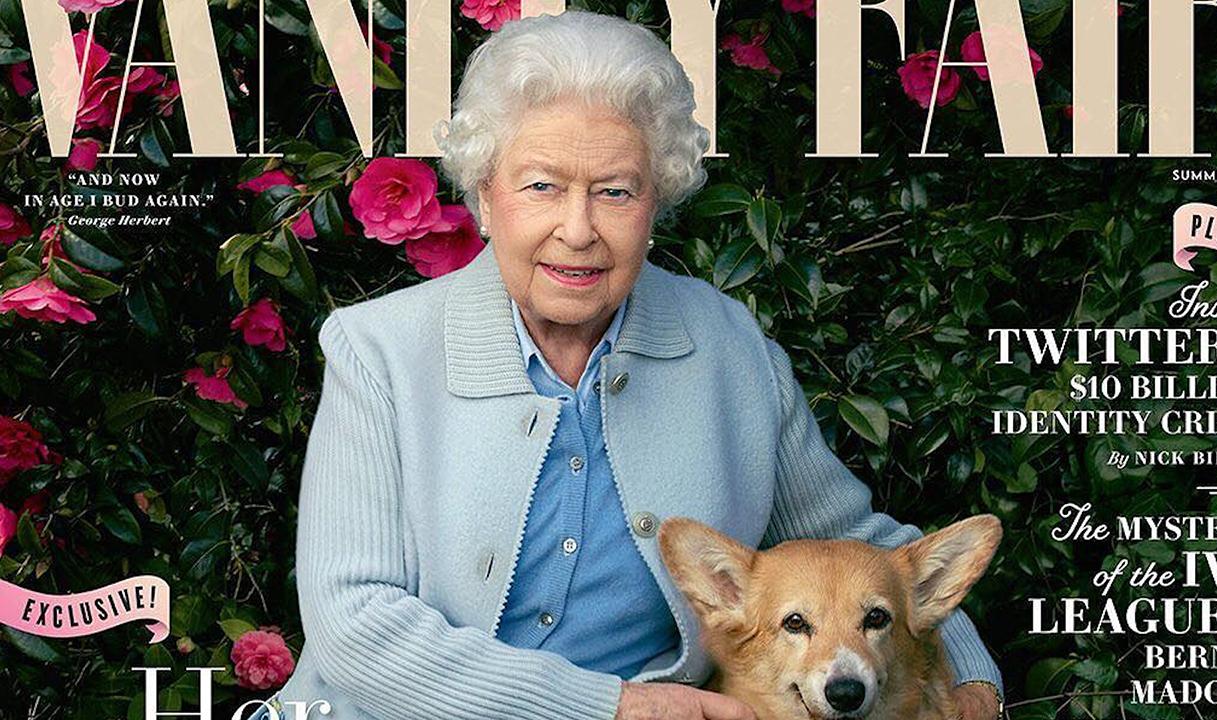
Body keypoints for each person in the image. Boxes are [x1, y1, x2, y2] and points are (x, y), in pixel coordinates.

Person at [258, 9, 1003, 720]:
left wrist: (974, 683)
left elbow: (862, 550)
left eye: (615, 191)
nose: (577, 231)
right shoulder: (379, 351)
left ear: (657, 203)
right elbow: (355, 625)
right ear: (485, 195)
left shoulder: (725, 345)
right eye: (542, 185)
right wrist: (611, 709)